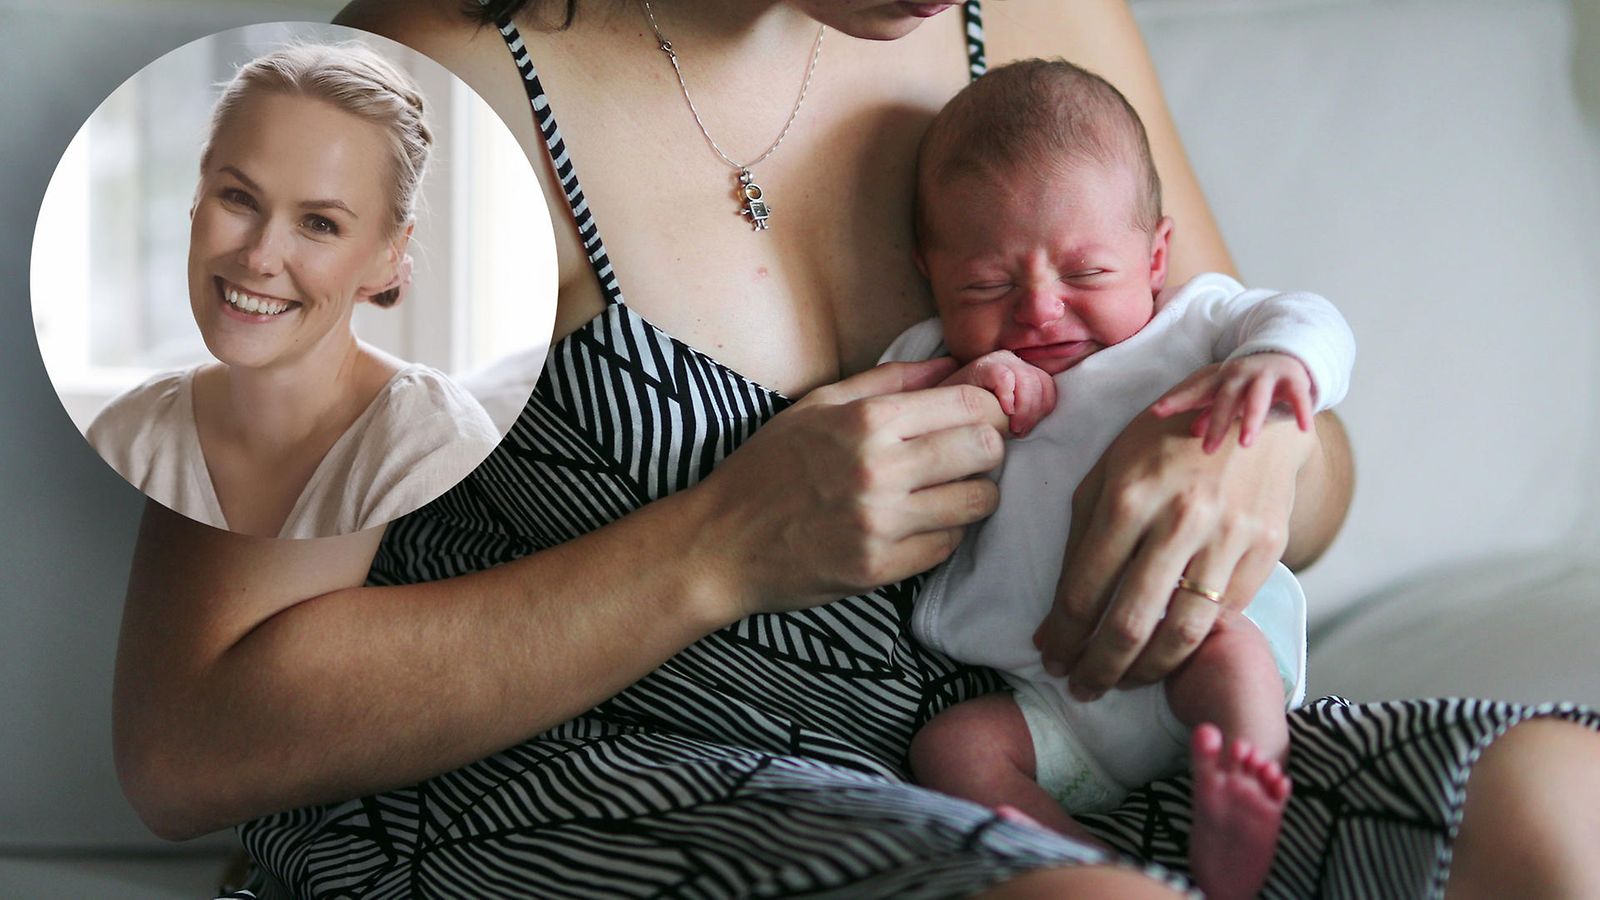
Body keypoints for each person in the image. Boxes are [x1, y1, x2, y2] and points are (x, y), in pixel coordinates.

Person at [109, 3, 1600, 899]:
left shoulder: (1043, 23)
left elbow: (1313, 484)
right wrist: (714, 549)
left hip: (1050, 754)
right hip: (574, 803)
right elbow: (188, 740)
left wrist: (1253, 462)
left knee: (1558, 812)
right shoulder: (420, 98)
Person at [894, 58, 1354, 900]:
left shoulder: (1194, 321)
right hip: (1056, 709)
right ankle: (1082, 859)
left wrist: (1282, 365)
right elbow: (893, 434)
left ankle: (1246, 792)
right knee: (951, 750)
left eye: (1085, 274)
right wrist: (974, 391)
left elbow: (1310, 315)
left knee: (1234, 657)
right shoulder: (936, 360)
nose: (1038, 309)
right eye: (987, 284)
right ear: (930, 272)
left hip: (1191, 638)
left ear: (1155, 256)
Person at [86, 43, 500, 539]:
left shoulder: (436, 451)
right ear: (197, 198)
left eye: (319, 223)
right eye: (239, 198)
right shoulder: (126, 438)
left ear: (389, 253)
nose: (260, 257)